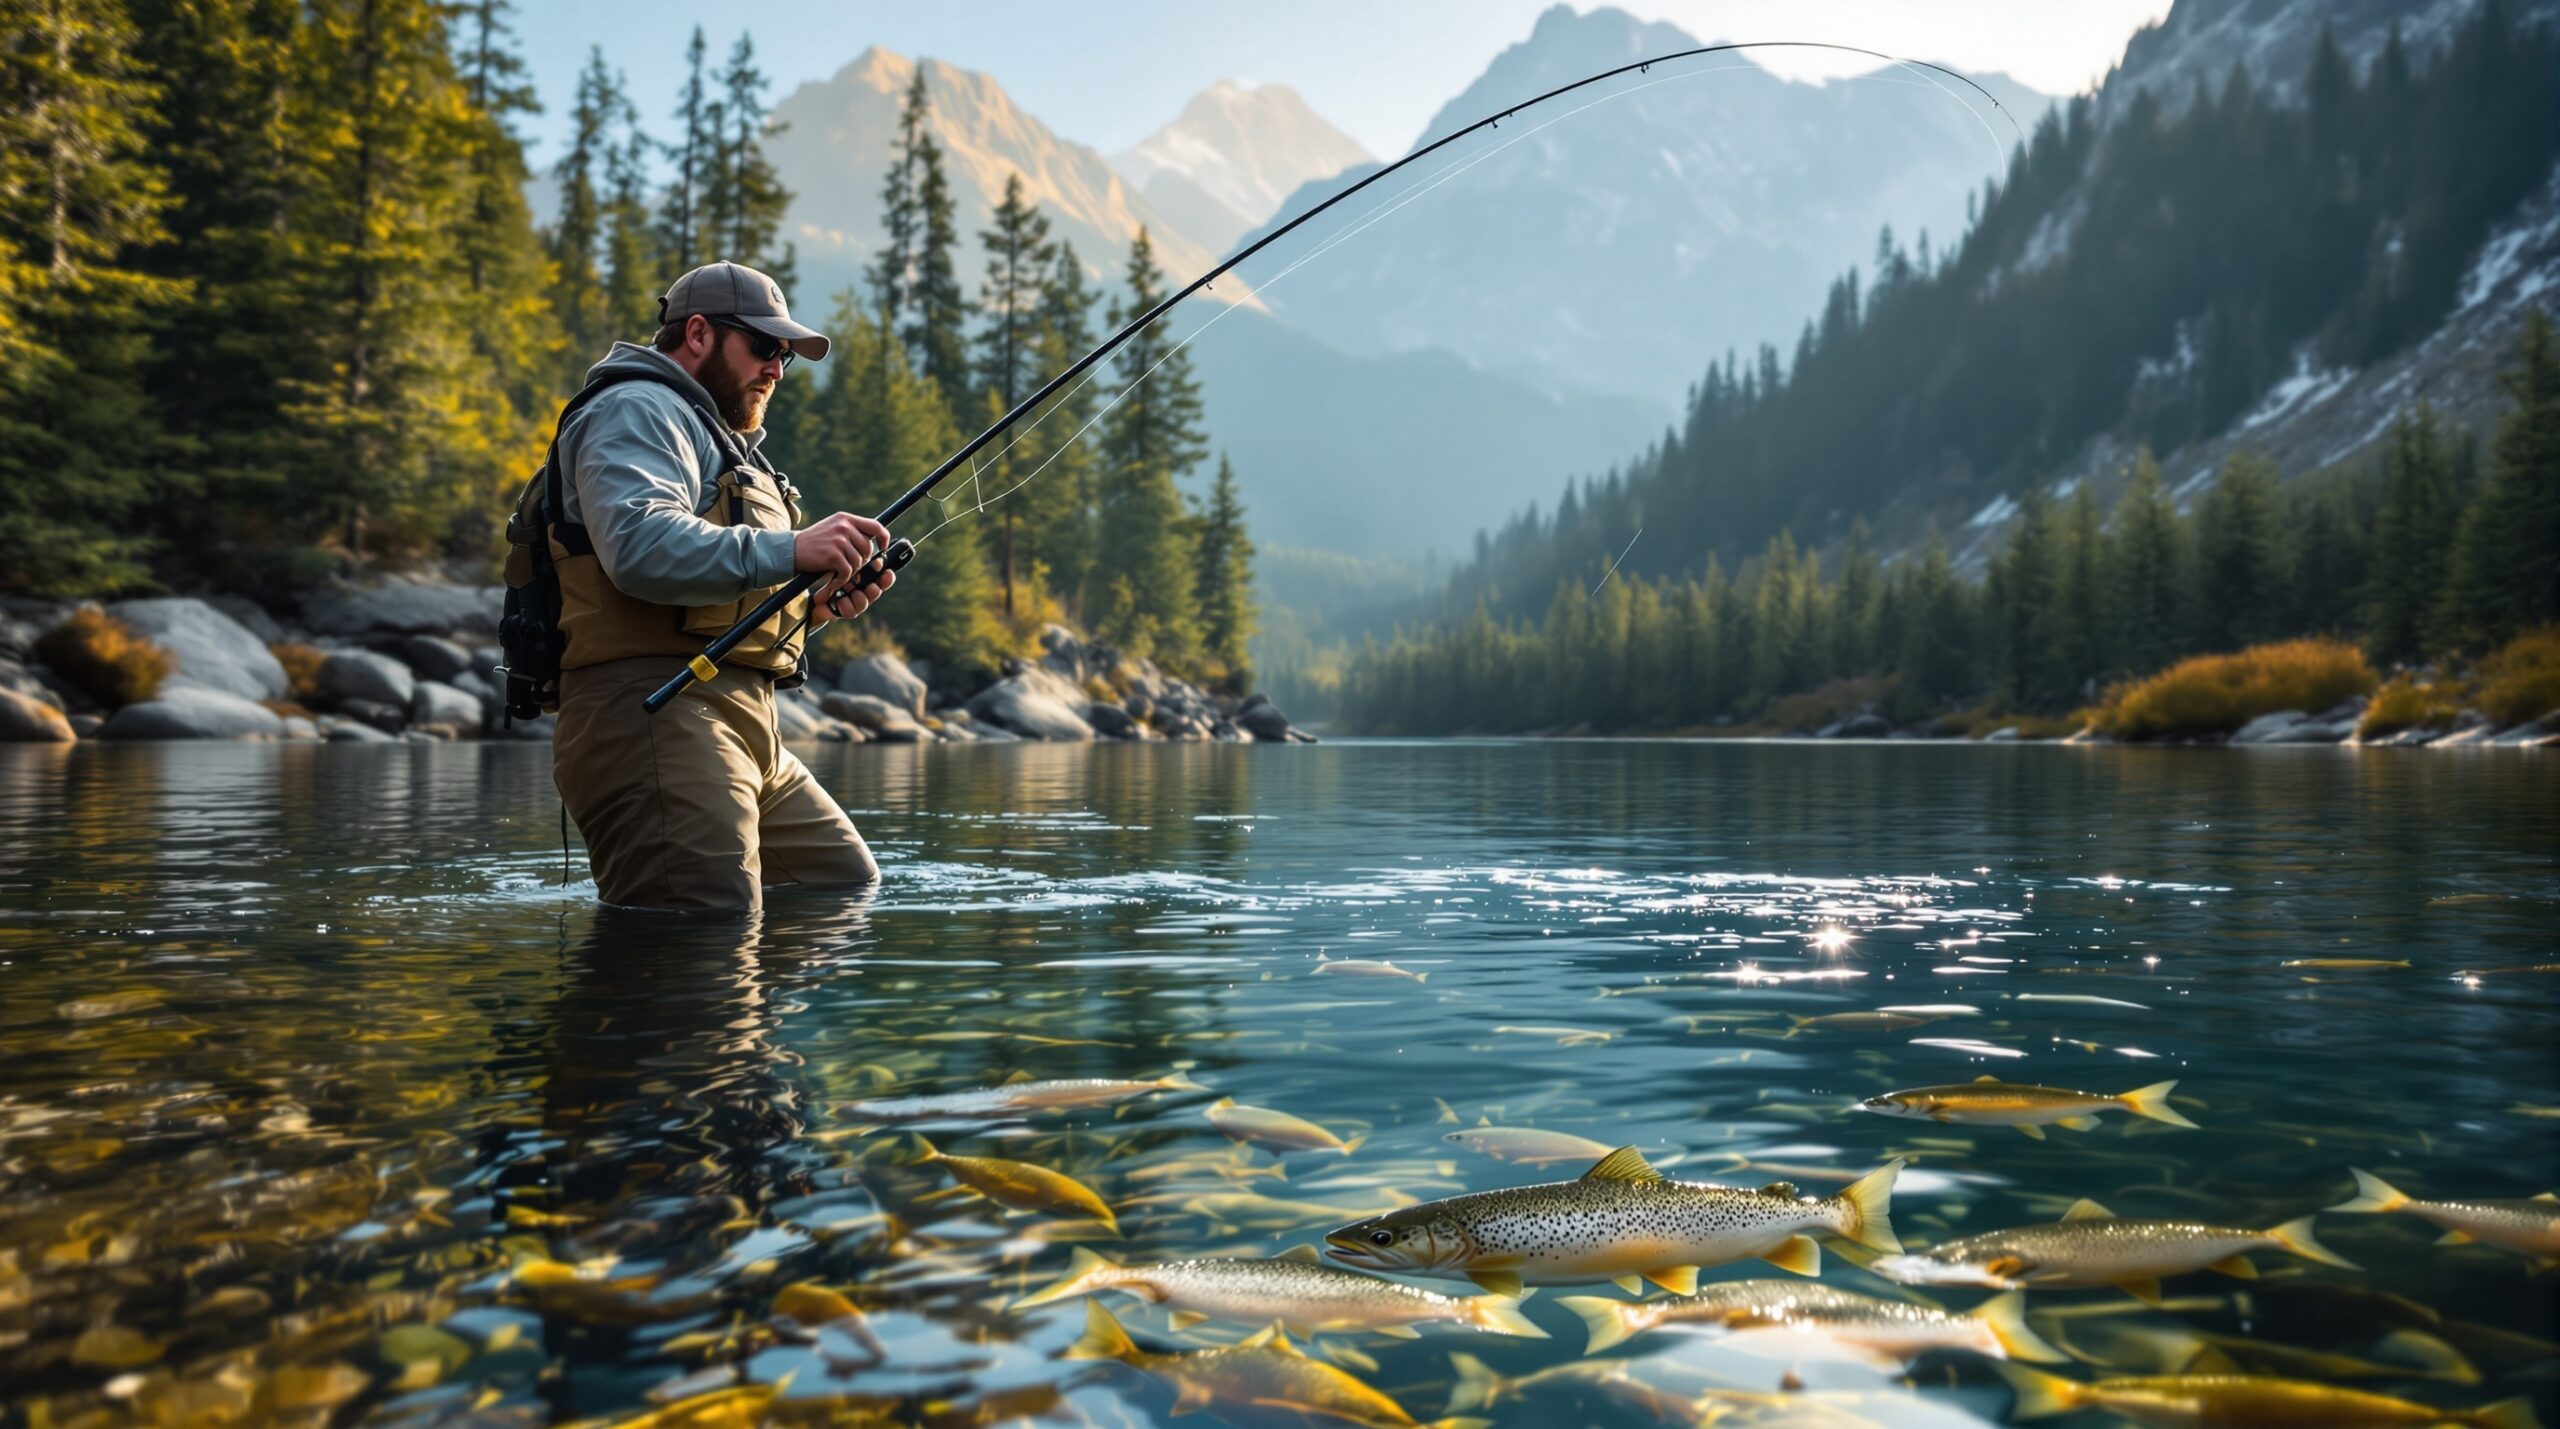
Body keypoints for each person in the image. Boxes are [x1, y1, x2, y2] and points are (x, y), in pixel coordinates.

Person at [543, 261, 895, 911]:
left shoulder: (716, 438)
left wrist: (805, 608)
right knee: (701, 942)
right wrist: (793, 548)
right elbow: (640, 547)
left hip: (742, 723)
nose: (777, 369)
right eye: (764, 346)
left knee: (840, 888)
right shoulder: (637, 407)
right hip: (654, 716)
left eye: (787, 356)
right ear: (698, 333)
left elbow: (708, 587)